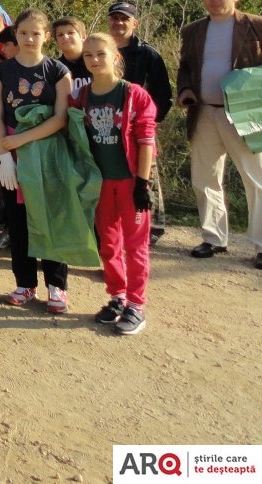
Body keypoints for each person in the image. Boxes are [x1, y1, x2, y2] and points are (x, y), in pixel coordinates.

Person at [175, 0, 262, 268]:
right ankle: (213, 239)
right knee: (205, 178)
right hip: (204, 112)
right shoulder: (193, 30)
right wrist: (185, 90)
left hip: (246, 114)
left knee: (257, 179)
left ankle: (261, 245)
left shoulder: (256, 25)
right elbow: (185, 67)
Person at [0, 9, 73, 311]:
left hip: (48, 154)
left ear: (46, 36)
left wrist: (19, 141)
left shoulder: (58, 71)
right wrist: (4, 155)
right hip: (11, 155)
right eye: (23, 33)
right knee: (18, 221)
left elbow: (61, 118)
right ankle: (25, 284)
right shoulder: (1, 72)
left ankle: (57, 286)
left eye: (35, 33)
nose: (28, 39)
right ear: (16, 34)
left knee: (49, 218)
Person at [74, 33, 157, 335]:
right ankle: (117, 297)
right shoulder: (83, 96)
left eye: (100, 54)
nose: (94, 60)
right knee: (108, 244)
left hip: (130, 182)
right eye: (88, 55)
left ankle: (136, 305)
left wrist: (143, 183)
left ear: (115, 57)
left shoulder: (134, 95)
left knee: (135, 246)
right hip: (101, 183)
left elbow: (146, 139)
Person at [108, 1, 173, 245]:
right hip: (106, 125)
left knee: (147, 174)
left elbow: (163, 94)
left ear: (134, 23)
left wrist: (148, 123)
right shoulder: (99, 49)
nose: (119, 23)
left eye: (124, 19)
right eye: (114, 18)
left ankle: (152, 226)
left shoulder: (148, 54)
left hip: (139, 127)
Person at [52, 16, 90, 94]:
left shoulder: (95, 62)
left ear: (83, 37)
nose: (65, 37)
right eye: (60, 35)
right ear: (56, 41)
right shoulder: (54, 68)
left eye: (71, 33)